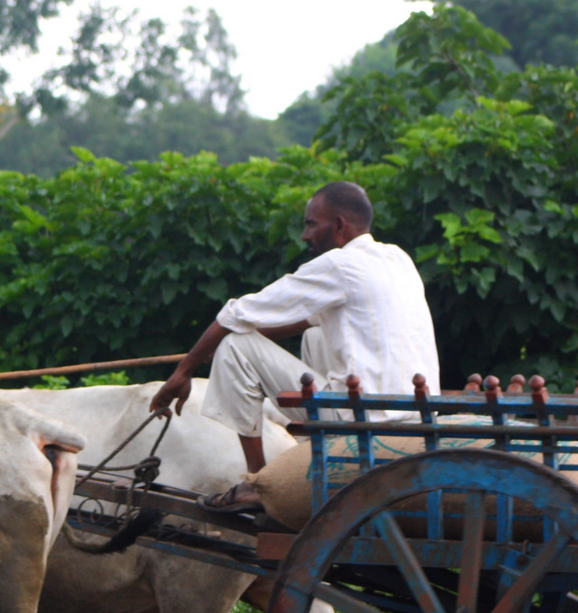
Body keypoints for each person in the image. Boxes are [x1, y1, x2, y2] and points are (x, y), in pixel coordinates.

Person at [147, 181, 439, 511]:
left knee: (237, 344)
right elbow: (305, 320)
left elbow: (235, 313)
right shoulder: (398, 259)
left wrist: (184, 371)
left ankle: (258, 482)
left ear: (339, 224)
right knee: (313, 334)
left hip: (364, 416)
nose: (305, 235)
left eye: (311, 223)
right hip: (412, 413)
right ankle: (310, 458)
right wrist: (215, 347)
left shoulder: (339, 265)